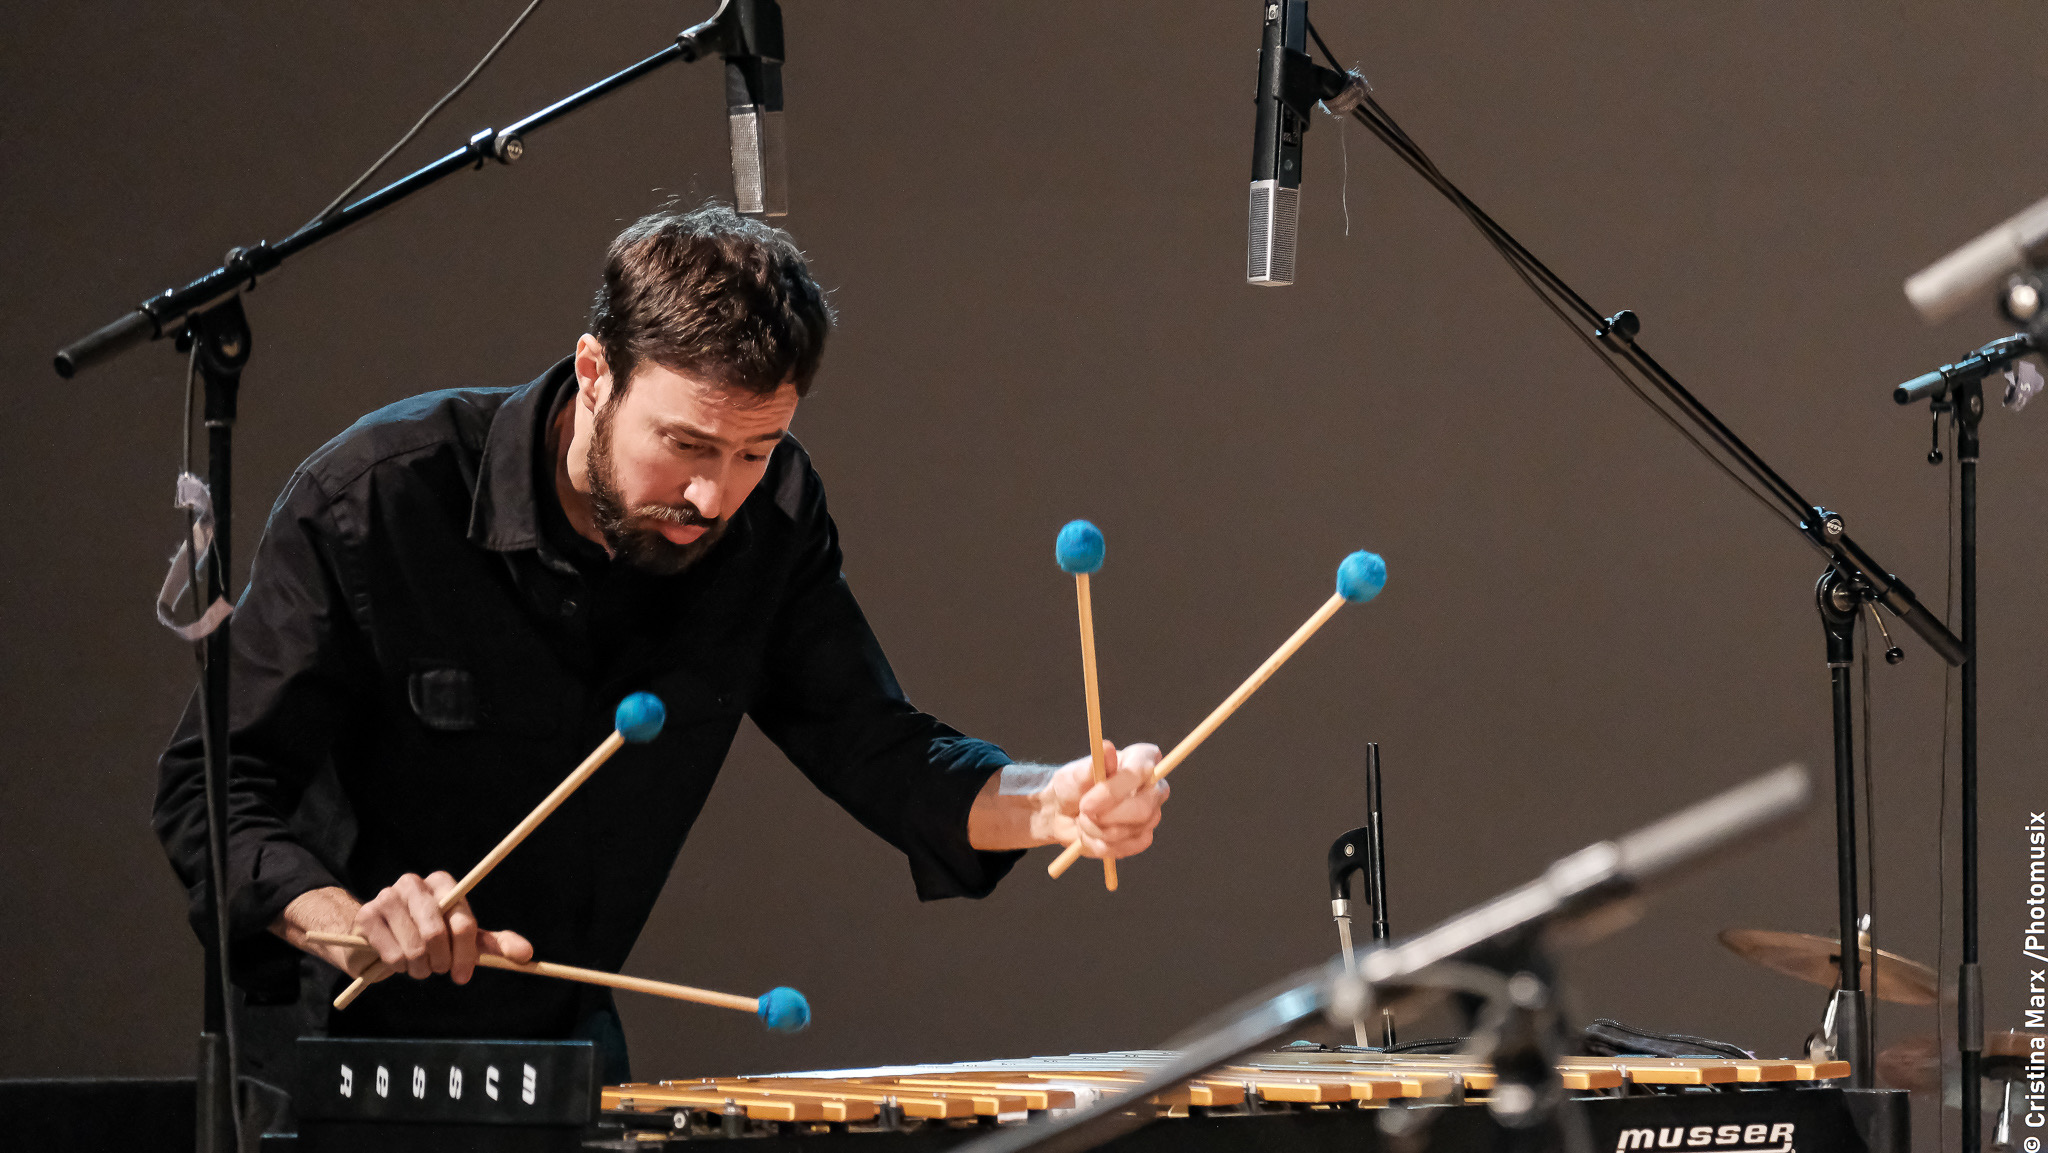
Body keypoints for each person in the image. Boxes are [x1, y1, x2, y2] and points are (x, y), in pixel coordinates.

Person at [153, 203, 1169, 1084]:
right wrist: (346, 919)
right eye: (685, 444)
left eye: (753, 450)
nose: (712, 495)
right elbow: (211, 788)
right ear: (594, 372)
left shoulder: (769, 519)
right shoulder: (379, 499)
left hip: (567, 1052)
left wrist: (1049, 801)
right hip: (328, 1057)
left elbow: (873, 742)